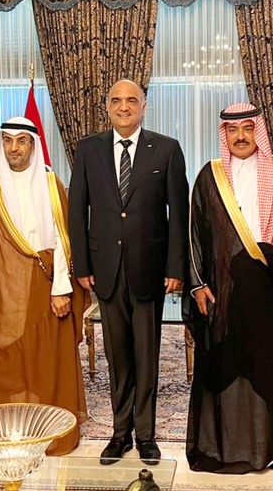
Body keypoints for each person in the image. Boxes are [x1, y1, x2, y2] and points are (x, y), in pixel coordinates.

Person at [69, 79, 189, 465]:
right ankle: (120, 434)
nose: (124, 107)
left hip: (149, 270)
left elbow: (178, 215)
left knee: (147, 354)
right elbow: (77, 211)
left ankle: (147, 435)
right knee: (116, 355)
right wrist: (82, 266)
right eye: (116, 100)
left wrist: (175, 267)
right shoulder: (88, 149)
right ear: (107, 106)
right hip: (104, 269)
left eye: (131, 101)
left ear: (143, 106)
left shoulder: (167, 149)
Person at [186, 103, 273, 473]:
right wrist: (197, 285)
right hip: (223, 288)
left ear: (259, 131)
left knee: (269, 365)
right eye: (233, 130)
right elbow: (194, 233)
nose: (241, 136)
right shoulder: (210, 176)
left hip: (272, 287)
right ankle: (223, 446)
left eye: (247, 128)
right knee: (227, 362)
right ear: (224, 135)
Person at [0, 117, 88, 454]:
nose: (14, 148)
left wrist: (61, 289)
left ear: (33, 145)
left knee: (47, 361)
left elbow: (65, 241)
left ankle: (51, 432)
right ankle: (11, 432)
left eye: (22, 141)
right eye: (8, 141)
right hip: (3, 291)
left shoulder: (52, 185)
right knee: (5, 363)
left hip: (46, 288)